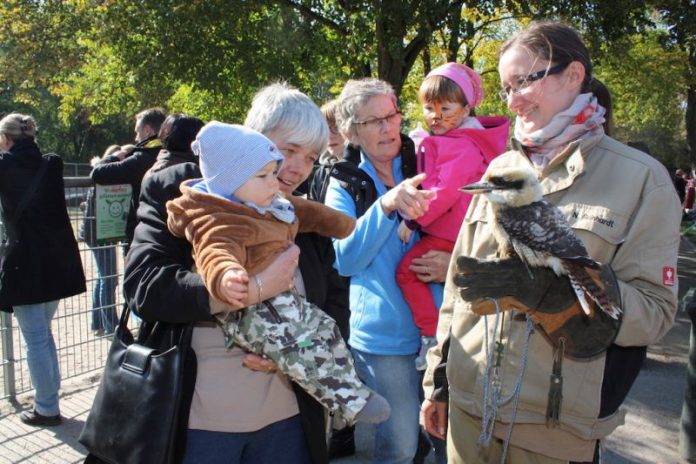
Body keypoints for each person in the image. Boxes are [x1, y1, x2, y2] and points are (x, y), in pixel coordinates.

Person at [422, 20, 681, 464]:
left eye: (526, 80)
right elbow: (457, 291)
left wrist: (557, 293)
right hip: (468, 411)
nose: (514, 99)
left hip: (552, 430)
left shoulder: (641, 179)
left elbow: (654, 314)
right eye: (506, 87)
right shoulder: (499, 168)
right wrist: (439, 383)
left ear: (574, 75)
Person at [123, 82, 350, 464]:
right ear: (252, 138)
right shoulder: (183, 192)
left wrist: (299, 351)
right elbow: (145, 286)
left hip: (289, 423)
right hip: (197, 424)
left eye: (311, 157)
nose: (296, 168)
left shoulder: (298, 214)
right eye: (288, 150)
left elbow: (335, 301)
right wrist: (252, 289)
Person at [166, 121, 390, 425]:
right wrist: (228, 276)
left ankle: (344, 393)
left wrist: (344, 224)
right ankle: (349, 401)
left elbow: (309, 213)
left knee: (326, 328)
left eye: (274, 172)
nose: (276, 181)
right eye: (264, 175)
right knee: (297, 346)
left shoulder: (270, 202)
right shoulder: (218, 217)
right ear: (231, 181)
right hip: (252, 311)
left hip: (286, 302)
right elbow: (215, 252)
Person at [322, 77, 444, 463]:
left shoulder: (429, 158)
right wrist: (385, 206)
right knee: (400, 447)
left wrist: (451, 261)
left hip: (446, 331)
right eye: (373, 121)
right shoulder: (342, 184)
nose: (388, 128)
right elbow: (346, 259)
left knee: (453, 439)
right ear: (351, 132)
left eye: (391, 115)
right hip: (384, 339)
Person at [395, 62, 510, 371]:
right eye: (429, 108)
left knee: (407, 272)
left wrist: (413, 219)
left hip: (450, 232)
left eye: (445, 107)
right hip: (450, 231)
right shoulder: (456, 141)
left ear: (466, 107)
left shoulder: (461, 146)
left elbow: (444, 190)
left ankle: (431, 335)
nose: (436, 115)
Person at [0, 113, 86, 426]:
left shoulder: (4, 165)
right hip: (57, 261)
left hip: (26, 261)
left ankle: (47, 408)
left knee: (35, 338)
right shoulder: (53, 163)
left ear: (6, 139)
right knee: (44, 334)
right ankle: (49, 397)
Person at [90, 107, 166, 250]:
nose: (136, 137)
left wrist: (114, 157)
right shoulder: (172, 154)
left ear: (148, 131)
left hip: (144, 236)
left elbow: (97, 173)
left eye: (137, 131)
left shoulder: (142, 158)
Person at [79, 144, 122, 336]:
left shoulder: (105, 176)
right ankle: (111, 324)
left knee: (104, 277)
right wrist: (116, 158)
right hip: (99, 233)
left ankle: (98, 323)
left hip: (100, 232)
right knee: (109, 279)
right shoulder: (104, 174)